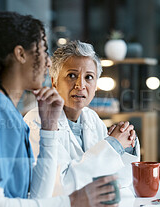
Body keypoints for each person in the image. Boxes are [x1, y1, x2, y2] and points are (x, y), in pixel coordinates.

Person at [0, 12, 119, 207]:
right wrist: (73, 202)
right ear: (21, 54)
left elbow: (38, 197)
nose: (49, 63)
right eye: (43, 50)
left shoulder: (7, 112)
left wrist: (49, 129)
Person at [24, 40, 140, 197]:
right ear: (54, 81)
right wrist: (112, 145)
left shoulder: (92, 119)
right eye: (72, 75)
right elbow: (61, 187)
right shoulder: (37, 121)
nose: (80, 85)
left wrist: (124, 145)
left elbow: (121, 180)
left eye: (89, 77)